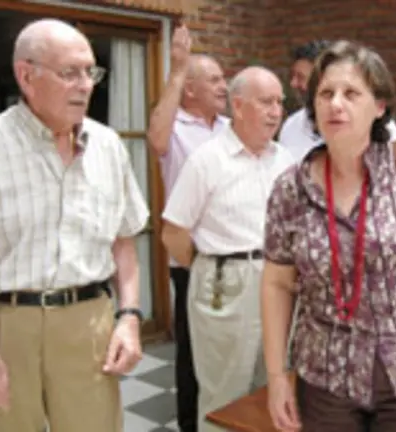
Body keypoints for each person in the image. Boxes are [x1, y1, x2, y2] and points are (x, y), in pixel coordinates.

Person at [0, 19, 150, 432]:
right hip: (3, 329)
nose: (85, 85)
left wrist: (129, 317)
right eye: (69, 73)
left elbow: (123, 242)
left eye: (90, 72)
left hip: (87, 323)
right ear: (27, 75)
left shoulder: (108, 146)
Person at [261, 40, 396, 431]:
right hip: (326, 380)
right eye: (325, 93)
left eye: (351, 93)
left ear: (379, 106)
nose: (335, 104)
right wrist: (277, 376)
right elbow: (277, 284)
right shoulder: (289, 190)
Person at [161, 66, 294, 432]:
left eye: (280, 102)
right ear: (238, 106)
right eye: (265, 102)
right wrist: (211, 267)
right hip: (225, 283)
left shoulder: (285, 160)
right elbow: (173, 233)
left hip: (278, 281)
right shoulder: (207, 160)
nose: (275, 111)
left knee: (272, 385)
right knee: (224, 390)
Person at [146, 24, 229, 432]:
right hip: (191, 260)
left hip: (232, 259)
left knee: (229, 351)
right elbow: (155, 139)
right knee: (193, 352)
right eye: (214, 79)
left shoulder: (229, 128)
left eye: (224, 78)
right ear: (190, 89)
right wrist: (176, 69)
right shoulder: (174, 127)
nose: (223, 86)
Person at [278, 39, 396, 162]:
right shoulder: (291, 127)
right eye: (327, 93)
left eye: (301, 77)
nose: (293, 84)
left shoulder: (382, 132)